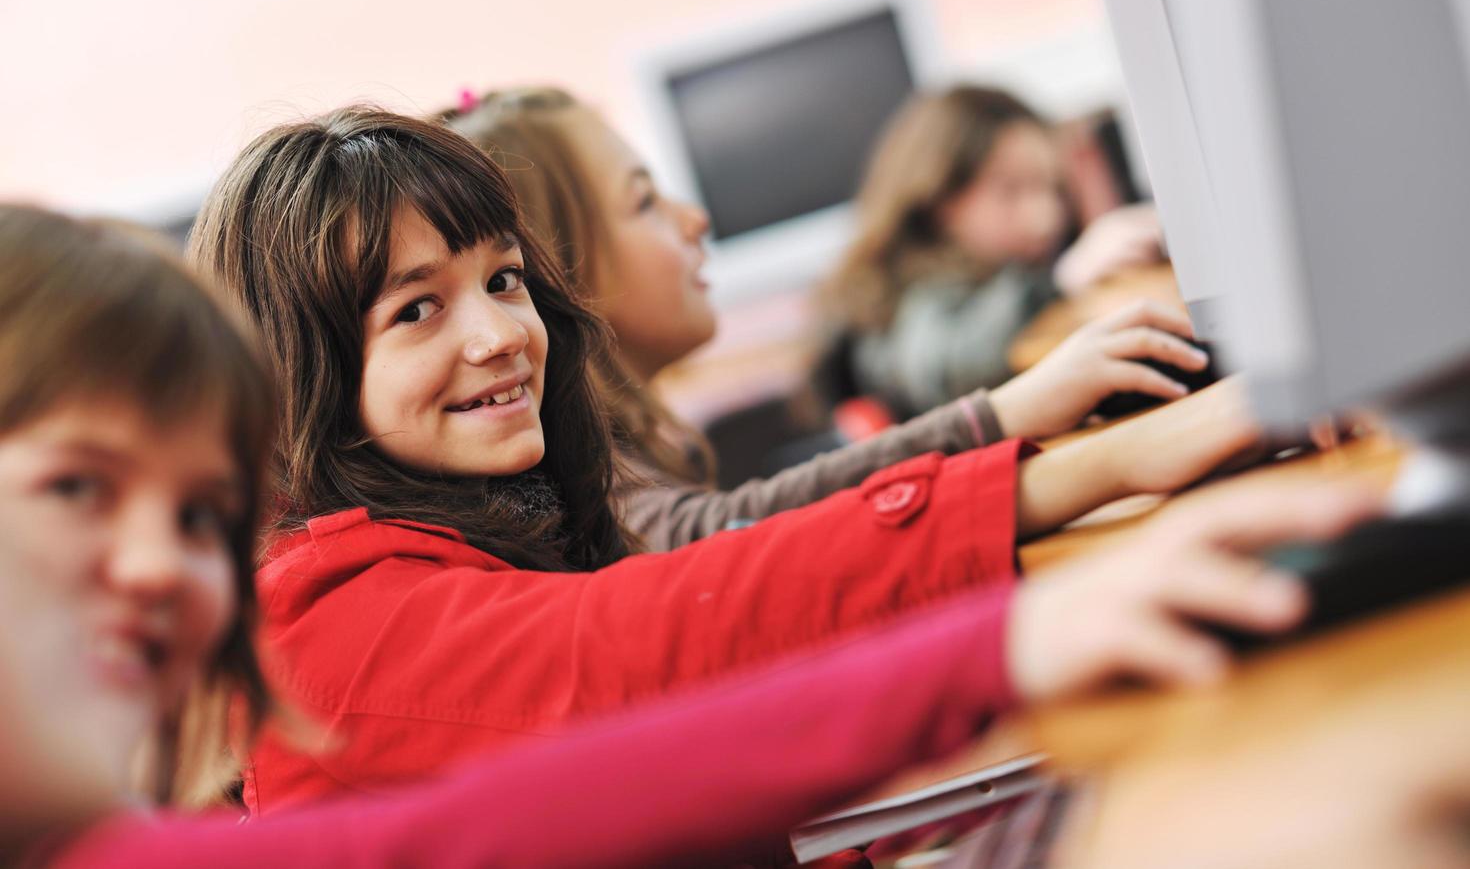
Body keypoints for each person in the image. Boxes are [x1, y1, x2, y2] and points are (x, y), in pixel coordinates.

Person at [3, 205, 1425, 869]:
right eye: (78, 490)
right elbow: (635, 654)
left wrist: (1020, 617)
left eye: (201, 514)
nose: (163, 568)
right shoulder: (334, 621)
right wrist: (1026, 574)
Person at [188, 108, 1264, 814]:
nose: (499, 335)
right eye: (416, 308)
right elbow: (656, 640)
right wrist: (1081, 488)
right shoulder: (323, 626)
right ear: (296, 374)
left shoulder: (480, 530)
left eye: (505, 281)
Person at [444, 86, 1201, 550]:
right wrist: (1021, 416)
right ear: (557, 267)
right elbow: (725, 547)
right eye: (645, 201)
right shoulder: (582, 489)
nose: (695, 218)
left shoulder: (635, 451)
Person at [817, 84, 1164, 416]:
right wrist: (1059, 281)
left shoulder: (999, 266)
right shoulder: (905, 290)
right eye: (1011, 190)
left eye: (1051, 187)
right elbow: (950, 364)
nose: (1044, 216)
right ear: (940, 198)